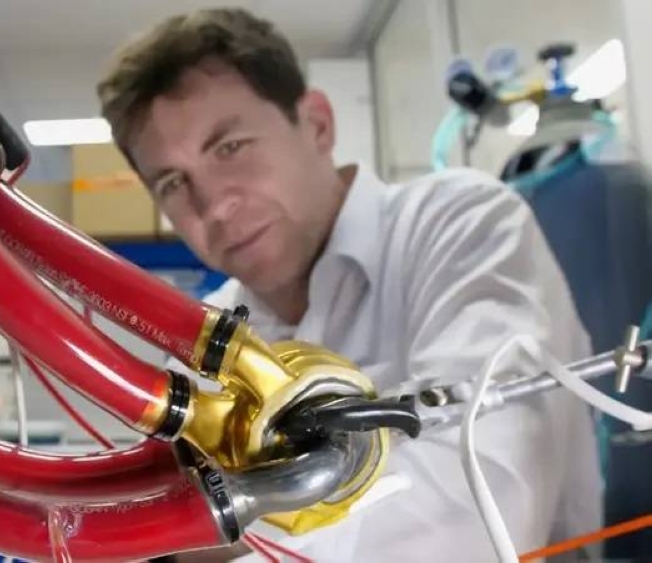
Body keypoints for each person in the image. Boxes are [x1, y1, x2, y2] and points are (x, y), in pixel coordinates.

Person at [97, 8, 602, 562]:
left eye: (230, 148)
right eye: (173, 182)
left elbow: (487, 499)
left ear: (317, 124)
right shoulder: (201, 349)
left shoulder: (461, 224)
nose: (214, 205)